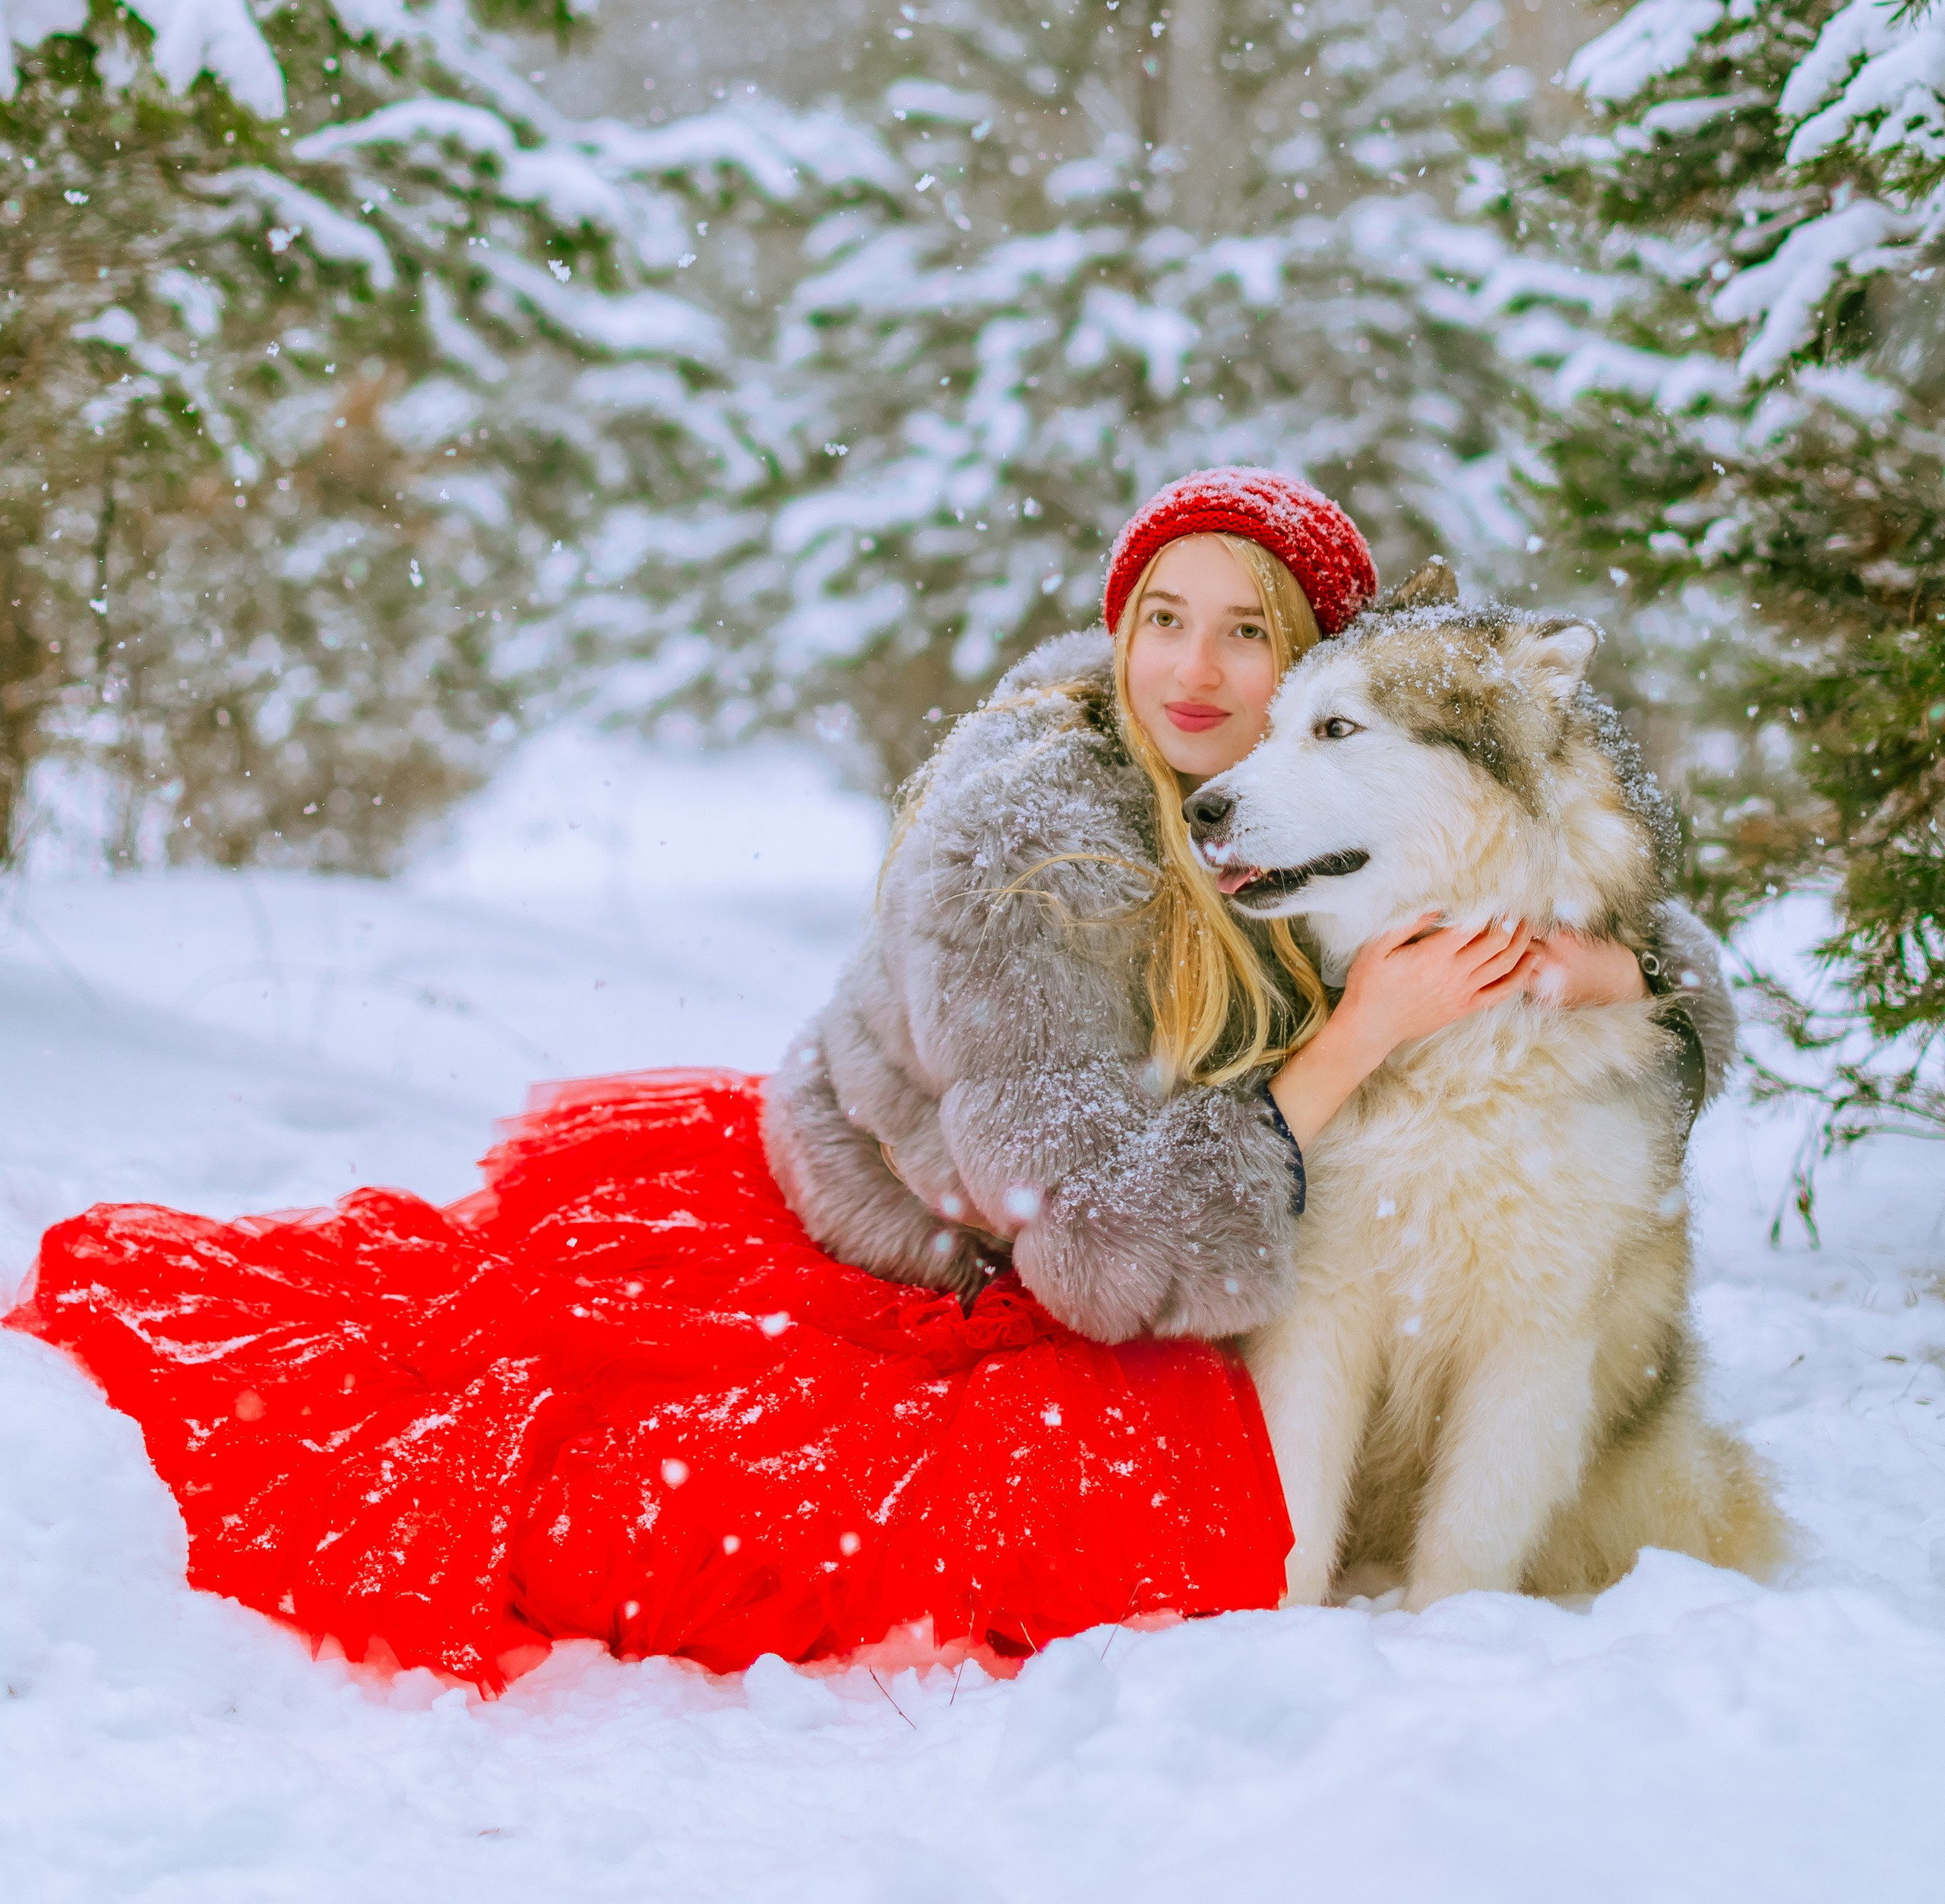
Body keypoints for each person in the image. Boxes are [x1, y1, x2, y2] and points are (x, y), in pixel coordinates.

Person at [5, 470, 1731, 1690]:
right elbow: (1102, 1246)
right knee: (713, 1513)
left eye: (1250, 637)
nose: (1194, 674)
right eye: (1160, 621)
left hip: (1126, 1258)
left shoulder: (1312, 810)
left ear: (1323, 682)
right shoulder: (1026, 841)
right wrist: (1354, 1044)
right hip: (927, 1273)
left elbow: (1637, 951)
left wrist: (1600, 967)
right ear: (1116, 632)